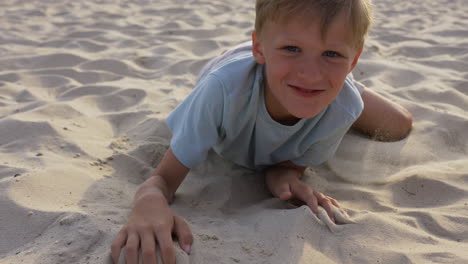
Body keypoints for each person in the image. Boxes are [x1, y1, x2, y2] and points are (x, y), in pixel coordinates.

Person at [111, 0, 413, 263]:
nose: (310, 72)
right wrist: (148, 203)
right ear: (259, 47)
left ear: (355, 60)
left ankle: (333, 75)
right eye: (292, 49)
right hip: (235, 71)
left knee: (398, 124)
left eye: (332, 54)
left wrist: (284, 175)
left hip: (299, 79)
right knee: (320, 86)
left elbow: (290, 165)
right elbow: (161, 179)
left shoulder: (344, 108)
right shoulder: (221, 92)